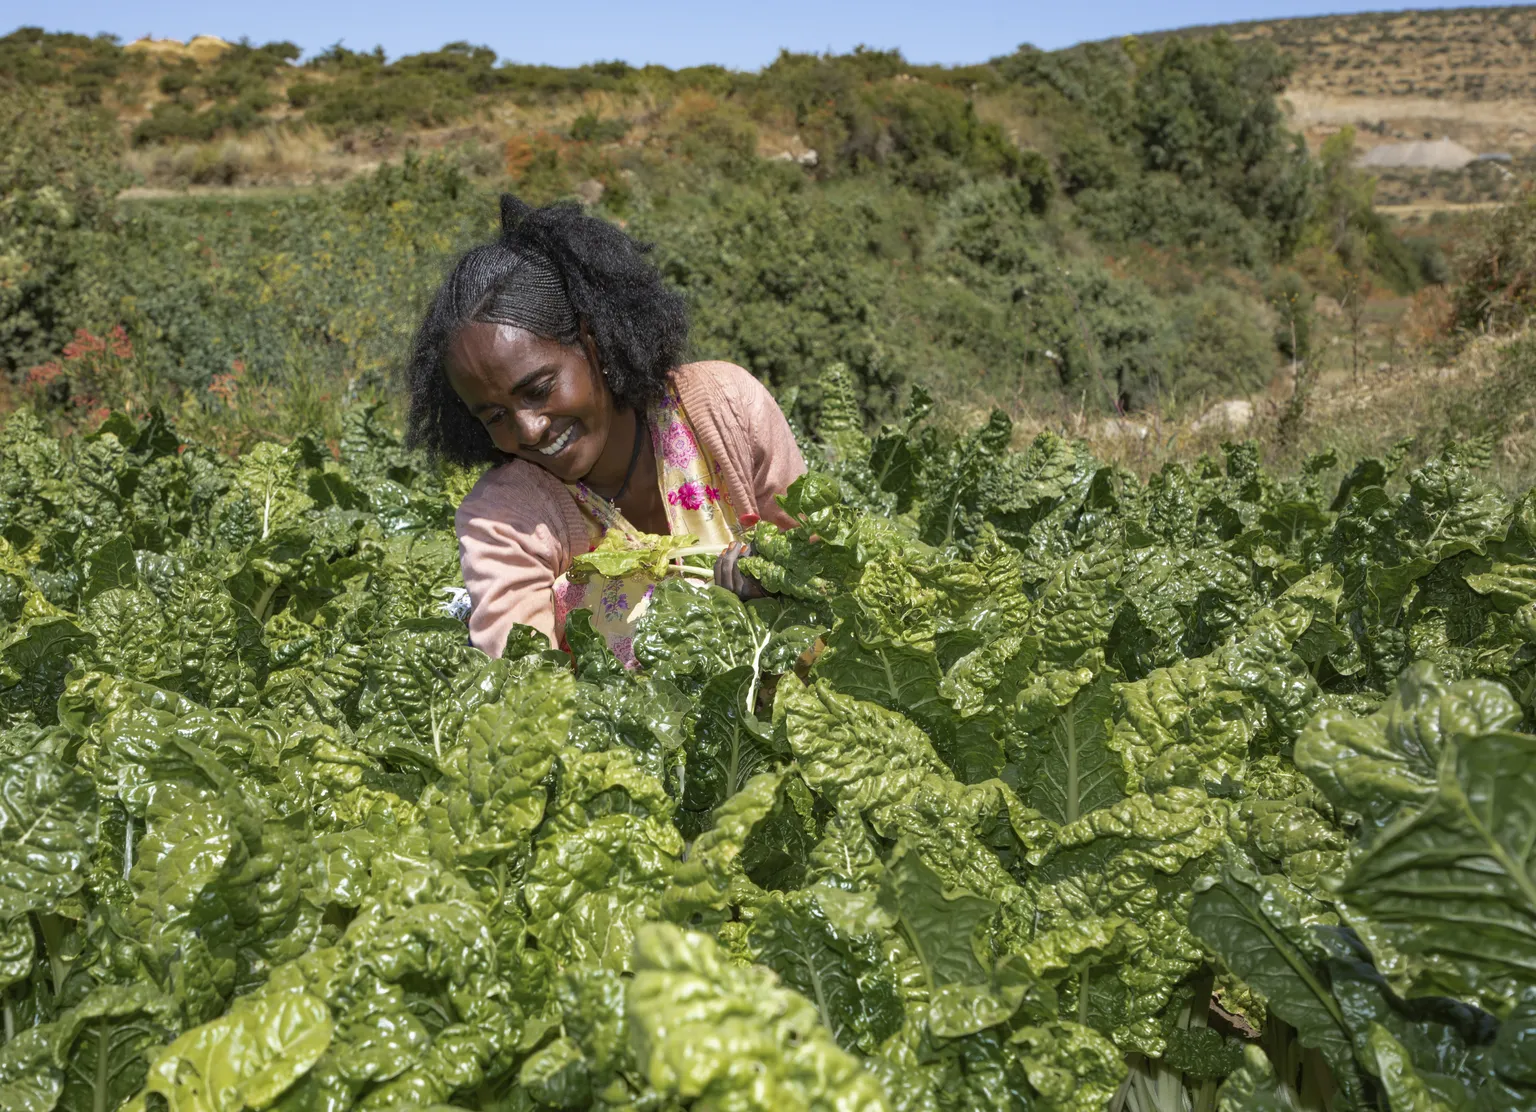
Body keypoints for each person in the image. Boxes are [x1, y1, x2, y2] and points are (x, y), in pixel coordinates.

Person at [405, 195, 806, 665]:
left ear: (591, 341)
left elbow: (820, 562)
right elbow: (524, 687)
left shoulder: (727, 408)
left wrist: (775, 587)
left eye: (538, 389)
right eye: (494, 416)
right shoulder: (502, 520)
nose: (530, 429)